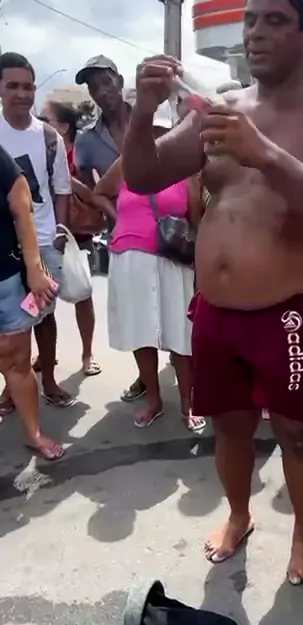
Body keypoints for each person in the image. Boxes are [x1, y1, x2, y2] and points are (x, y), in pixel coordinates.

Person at [122, 0, 303, 584]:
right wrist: (143, 112)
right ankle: (239, 515)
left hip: (293, 309)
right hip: (217, 310)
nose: (256, 33)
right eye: (251, 20)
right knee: (229, 425)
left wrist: (263, 153)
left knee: (297, 432)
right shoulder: (225, 108)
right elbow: (143, 174)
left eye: (275, 21)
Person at [94, 105, 205, 431]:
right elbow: (100, 194)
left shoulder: (185, 171)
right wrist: (121, 221)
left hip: (173, 259)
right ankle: (153, 400)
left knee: (181, 334)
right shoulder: (127, 163)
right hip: (130, 258)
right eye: (150, 132)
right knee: (141, 332)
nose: (156, 138)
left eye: (162, 132)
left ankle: (188, 402)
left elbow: (196, 220)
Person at [0, 52, 73, 413]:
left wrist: (59, 233)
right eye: (12, 86)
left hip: (42, 242)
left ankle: (49, 380)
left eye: (28, 86)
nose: (22, 94)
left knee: (44, 317)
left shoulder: (48, 137)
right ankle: (13, 385)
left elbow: (62, 189)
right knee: (12, 324)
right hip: (4, 246)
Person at [75, 54, 143, 402]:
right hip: (124, 234)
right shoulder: (87, 139)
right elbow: (88, 187)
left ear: (119, 81)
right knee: (135, 310)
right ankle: (146, 377)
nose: (102, 91)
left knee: (180, 305)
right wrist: (112, 214)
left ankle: (186, 375)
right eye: (93, 87)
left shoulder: (151, 117)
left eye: (106, 82)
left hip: (170, 226)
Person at [0, 143, 64, 458]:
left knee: (17, 360)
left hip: (5, 277)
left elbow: (22, 205)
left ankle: (34, 433)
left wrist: (35, 268)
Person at [40, 100, 102, 377]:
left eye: (46, 119)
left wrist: (63, 177)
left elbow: (94, 193)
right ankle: (46, 355)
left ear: (63, 126)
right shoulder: (41, 151)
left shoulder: (80, 154)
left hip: (78, 236)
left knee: (82, 295)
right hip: (46, 234)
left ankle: (88, 354)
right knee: (43, 300)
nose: (40, 123)